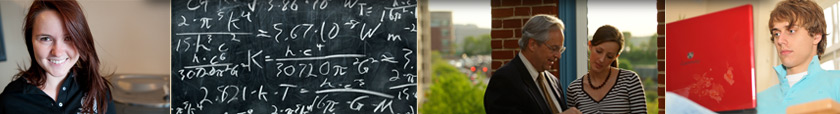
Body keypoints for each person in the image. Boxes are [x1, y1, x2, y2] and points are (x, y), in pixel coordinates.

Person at [0, 0, 116, 113]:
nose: (58, 52)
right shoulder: (10, 101)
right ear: (31, 41)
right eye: (46, 38)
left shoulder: (98, 89)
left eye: (69, 38)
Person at [485, 14, 580, 114]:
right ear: (532, 44)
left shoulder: (553, 81)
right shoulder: (504, 80)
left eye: (561, 50)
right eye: (554, 48)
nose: (558, 56)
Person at [758, 0, 840, 113]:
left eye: (791, 31)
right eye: (776, 34)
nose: (780, 41)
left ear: (816, 36)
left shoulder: (837, 83)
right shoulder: (758, 101)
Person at [565, 25, 647, 113]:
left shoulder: (630, 81)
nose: (602, 59)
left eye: (609, 56)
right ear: (590, 46)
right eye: (599, 51)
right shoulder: (574, 89)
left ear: (615, 57)